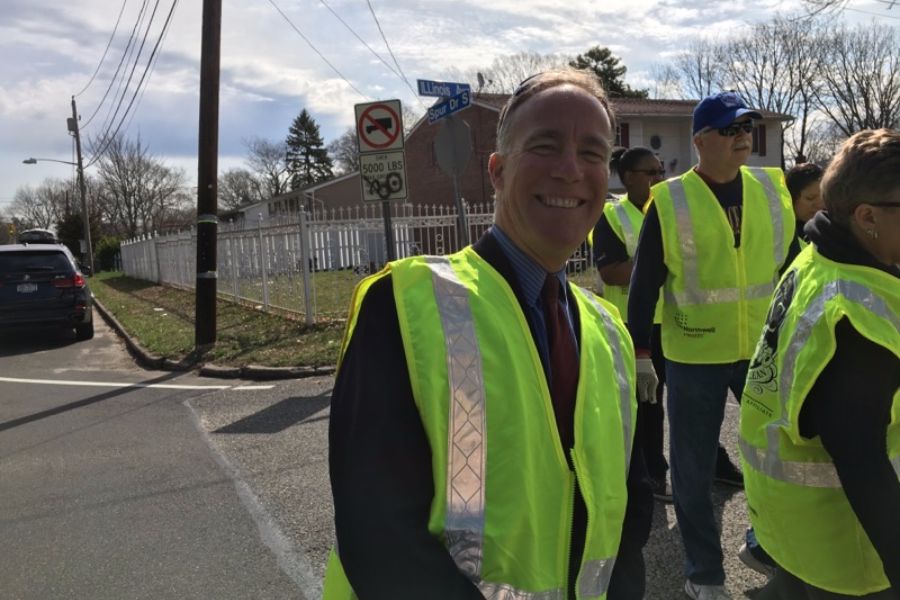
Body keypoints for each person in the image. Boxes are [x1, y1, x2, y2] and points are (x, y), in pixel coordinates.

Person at [325, 68, 653, 600]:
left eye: (592, 153)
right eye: (545, 146)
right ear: (497, 172)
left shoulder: (609, 332)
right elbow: (380, 541)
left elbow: (629, 518)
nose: (571, 170)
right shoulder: (404, 305)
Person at [627, 91, 798, 600]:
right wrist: (640, 351)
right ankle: (704, 573)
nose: (741, 136)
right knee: (693, 471)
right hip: (694, 354)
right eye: (729, 129)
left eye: (746, 127)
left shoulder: (772, 189)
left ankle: (769, 546)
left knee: (781, 459)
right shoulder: (671, 200)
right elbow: (644, 283)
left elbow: (795, 270)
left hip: (762, 351)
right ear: (700, 140)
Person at [740, 128, 900, 599]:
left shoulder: (819, 258)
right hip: (850, 547)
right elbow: (862, 462)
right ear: (867, 216)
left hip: (798, 527)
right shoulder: (853, 317)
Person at [738, 160, 827, 578]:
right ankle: (765, 544)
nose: (818, 205)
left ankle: (767, 544)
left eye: (823, 197)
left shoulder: (816, 239)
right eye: (810, 198)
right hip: (774, 346)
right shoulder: (791, 241)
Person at [592, 147, 671, 501]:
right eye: (650, 172)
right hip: (630, 324)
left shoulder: (667, 209)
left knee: (670, 402)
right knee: (644, 404)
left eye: (660, 171)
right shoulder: (611, 216)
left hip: (670, 321)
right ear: (627, 178)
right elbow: (611, 271)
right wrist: (659, 265)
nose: (658, 178)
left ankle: (663, 468)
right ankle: (648, 474)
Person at [785, 162, 825, 246]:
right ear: (792, 198)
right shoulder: (784, 234)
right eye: (810, 198)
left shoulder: (833, 230)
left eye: (824, 197)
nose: (820, 205)